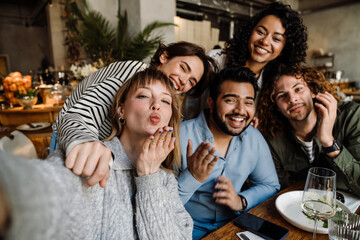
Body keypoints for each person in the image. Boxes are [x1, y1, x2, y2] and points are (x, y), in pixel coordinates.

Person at [0, 68, 193, 240]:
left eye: (165, 100)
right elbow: (47, 189)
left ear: (170, 118)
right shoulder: (93, 157)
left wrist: (149, 176)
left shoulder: (166, 179)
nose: (156, 105)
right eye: (143, 96)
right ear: (121, 111)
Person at [51, 41, 217, 187]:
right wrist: (84, 142)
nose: (183, 81)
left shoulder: (165, 105)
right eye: (182, 68)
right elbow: (82, 112)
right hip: (72, 139)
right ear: (164, 57)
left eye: (191, 81)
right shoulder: (135, 71)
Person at [178, 67, 280, 239]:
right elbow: (158, 205)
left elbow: (270, 186)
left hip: (236, 227)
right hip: (186, 229)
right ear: (211, 103)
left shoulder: (254, 138)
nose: (240, 110)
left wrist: (241, 201)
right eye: (231, 100)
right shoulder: (179, 136)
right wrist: (192, 177)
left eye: (248, 102)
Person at [182, 2, 308, 120]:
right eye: (260, 32)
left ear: (284, 49)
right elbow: (190, 107)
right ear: (250, 32)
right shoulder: (216, 61)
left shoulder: (273, 83)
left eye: (276, 39)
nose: (265, 41)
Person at [257, 65, 360, 197]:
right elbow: (278, 192)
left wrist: (329, 142)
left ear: (312, 90)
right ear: (276, 105)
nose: (292, 99)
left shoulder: (350, 116)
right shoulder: (273, 139)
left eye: (298, 89)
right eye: (282, 95)